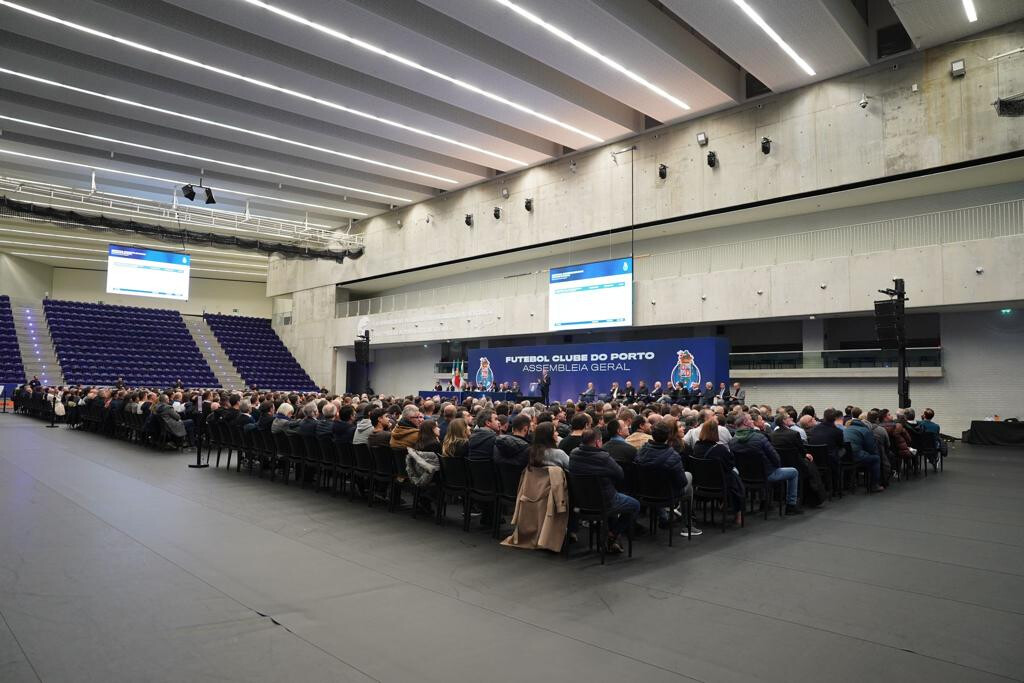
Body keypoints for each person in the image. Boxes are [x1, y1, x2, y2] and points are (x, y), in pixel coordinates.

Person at [568, 429, 639, 554]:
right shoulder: (603, 457)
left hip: (581, 502)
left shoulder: (573, 454)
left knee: (613, 498)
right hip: (606, 501)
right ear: (597, 443)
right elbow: (620, 474)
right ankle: (613, 534)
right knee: (634, 505)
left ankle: (611, 535)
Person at [729, 413, 802, 515]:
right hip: (766, 474)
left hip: (744, 477)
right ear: (745, 423)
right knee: (794, 472)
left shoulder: (732, 441)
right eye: (750, 420)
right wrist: (776, 467)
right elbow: (776, 458)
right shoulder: (760, 438)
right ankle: (791, 505)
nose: (752, 421)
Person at [636, 422, 701, 536]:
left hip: (645, 492)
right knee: (688, 479)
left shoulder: (641, 451)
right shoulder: (673, 455)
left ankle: (668, 518)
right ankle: (687, 525)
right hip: (667, 495)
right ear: (668, 437)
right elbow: (682, 482)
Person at [692, 419, 743, 526]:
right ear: (716, 432)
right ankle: (738, 513)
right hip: (720, 484)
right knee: (735, 476)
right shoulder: (720, 449)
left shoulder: (696, 447)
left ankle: (725, 503)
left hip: (701, 484)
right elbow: (730, 465)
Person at [843, 409, 884, 492]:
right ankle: (874, 485)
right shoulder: (865, 430)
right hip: (856, 456)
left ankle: (847, 483)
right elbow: (871, 448)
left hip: (844, 456)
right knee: (876, 458)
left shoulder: (847, 428)